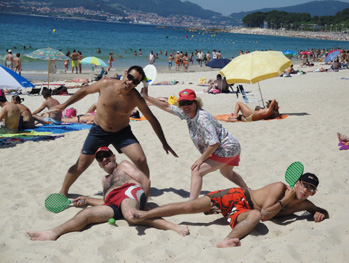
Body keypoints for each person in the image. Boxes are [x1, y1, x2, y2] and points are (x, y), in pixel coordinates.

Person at [54, 66, 177, 196]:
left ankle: (144, 193)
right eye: (130, 77)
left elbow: (152, 119)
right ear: (125, 73)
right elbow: (84, 91)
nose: (130, 82)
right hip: (99, 131)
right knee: (81, 165)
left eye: (135, 81)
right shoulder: (106, 84)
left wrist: (164, 142)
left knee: (141, 160)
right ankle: (63, 192)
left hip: (122, 132)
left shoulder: (136, 98)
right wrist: (64, 105)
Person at [26, 147, 189, 241]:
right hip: (115, 205)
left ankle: (173, 227)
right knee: (86, 214)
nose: (104, 159)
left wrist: (144, 202)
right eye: (100, 158)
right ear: (99, 164)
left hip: (130, 193)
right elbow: (106, 203)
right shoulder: (104, 180)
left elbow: (145, 180)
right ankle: (53, 232)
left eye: (106, 155)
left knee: (130, 213)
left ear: (114, 156)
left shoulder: (123, 166)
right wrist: (87, 200)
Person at [130, 173, 328, 248]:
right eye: (303, 185)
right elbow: (268, 214)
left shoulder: (305, 205)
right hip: (238, 196)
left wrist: (320, 213)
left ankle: (226, 240)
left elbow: (322, 211)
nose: (305, 190)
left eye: (310, 189)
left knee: (255, 215)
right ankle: (144, 214)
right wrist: (285, 201)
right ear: (296, 183)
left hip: (246, 211)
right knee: (189, 207)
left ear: (313, 193)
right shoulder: (279, 188)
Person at [141, 88, 247, 200]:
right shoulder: (187, 113)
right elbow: (166, 106)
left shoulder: (202, 119)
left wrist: (201, 159)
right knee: (227, 173)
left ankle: (192, 202)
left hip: (226, 148)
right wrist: (147, 97)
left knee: (196, 171)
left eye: (189, 103)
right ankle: (248, 191)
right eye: (182, 103)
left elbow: (214, 143)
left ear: (195, 103)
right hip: (233, 145)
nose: (185, 106)